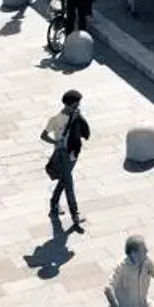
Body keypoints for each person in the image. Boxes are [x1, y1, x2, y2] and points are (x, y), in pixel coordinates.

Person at [43, 89, 90, 233]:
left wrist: (78, 117)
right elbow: (43, 135)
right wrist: (55, 142)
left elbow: (84, 130)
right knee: (69, 184)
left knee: (64, 180)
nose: (78, 107)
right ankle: (75, 215)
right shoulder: (56, 119)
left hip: (74, 153)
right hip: (63, 153)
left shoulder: (76, 115)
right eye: (76, 105)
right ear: (68, 105)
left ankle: (54, 204)